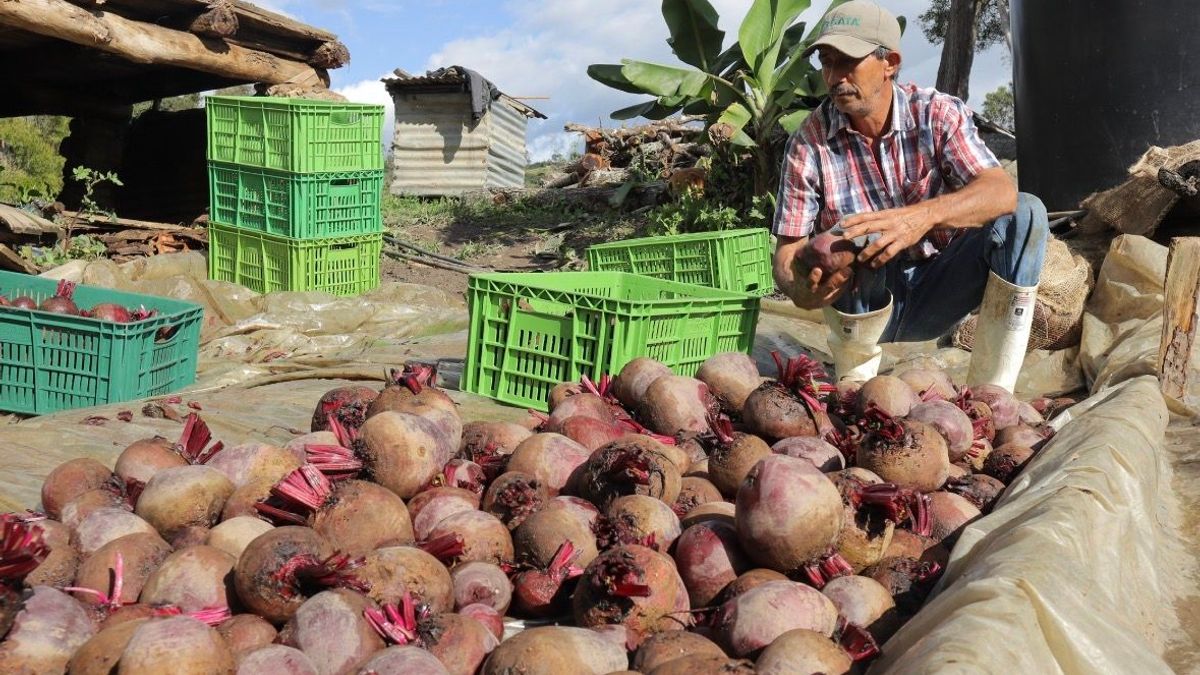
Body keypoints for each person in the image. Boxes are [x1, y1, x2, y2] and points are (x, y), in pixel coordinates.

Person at [772, 0, 1048, 392]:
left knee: (1025, 213)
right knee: (844, 239)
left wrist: (918, 218)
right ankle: (856, 382)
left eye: (848, 61)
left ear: (890, 63)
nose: (835, 77)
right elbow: (785, 254)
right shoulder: (808, 144)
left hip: (939, 288)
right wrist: (798, 284)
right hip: (861, 304)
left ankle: (994, 391)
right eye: (827, 63)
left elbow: (1000, 190)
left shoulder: (936, 114)